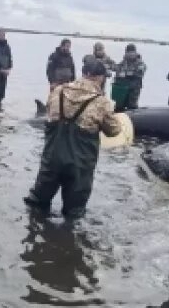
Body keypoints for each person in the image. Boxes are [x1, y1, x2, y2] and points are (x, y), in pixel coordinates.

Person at [25, 60, 122, 220]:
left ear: (83, 73)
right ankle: (67, 239)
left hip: (52, 158)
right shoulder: (101, 102)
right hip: (80, 164)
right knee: (74, 212)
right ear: (99, 78)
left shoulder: (58, 91)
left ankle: (35, 234)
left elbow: (49, 112)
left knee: (37, 202)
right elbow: (114, 131)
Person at [111, 44, 146, 112]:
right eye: (129, 52)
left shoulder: (140, 63)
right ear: (126, 53)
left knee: (132, 106)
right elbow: (117, 69)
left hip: (134, 89)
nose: (130, 54)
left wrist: (127, 74)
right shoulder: (124, 62)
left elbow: (140, 72)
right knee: (119, 106)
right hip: (123, 89)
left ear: (135, 53)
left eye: (132, 52)